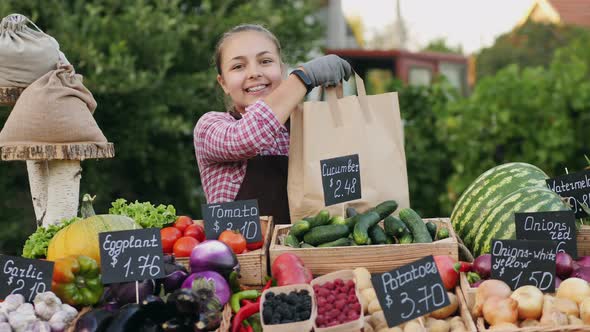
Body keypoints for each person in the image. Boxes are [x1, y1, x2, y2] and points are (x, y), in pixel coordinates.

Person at [194, 24, 352, 224]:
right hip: (241, 254)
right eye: (238, 66)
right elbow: (247, 138)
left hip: (302, 252)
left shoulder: (306, 128)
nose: (254, 73)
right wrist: (304, 77)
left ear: (282, 70)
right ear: (223, 83)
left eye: (265, 61)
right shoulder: (210, 126)